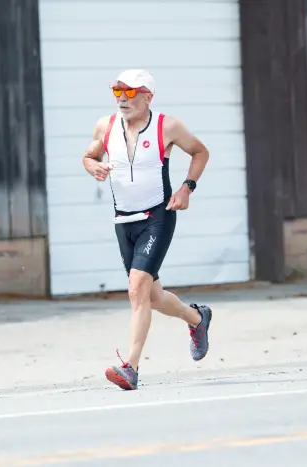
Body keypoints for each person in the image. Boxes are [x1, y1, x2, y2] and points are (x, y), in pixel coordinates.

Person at [81, 69, 213, 390]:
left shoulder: (167, 126)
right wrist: (93, 166)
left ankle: (131, 366)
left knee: (136, 288)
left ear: (148, 96)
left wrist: (186, 188)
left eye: (130, 93)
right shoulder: (106, 125)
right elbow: (88, 155)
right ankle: (197, 318)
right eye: (117, 92)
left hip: (158, 215)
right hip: (123, 220)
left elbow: (200, 151)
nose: (122, 99)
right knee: (152, 296)